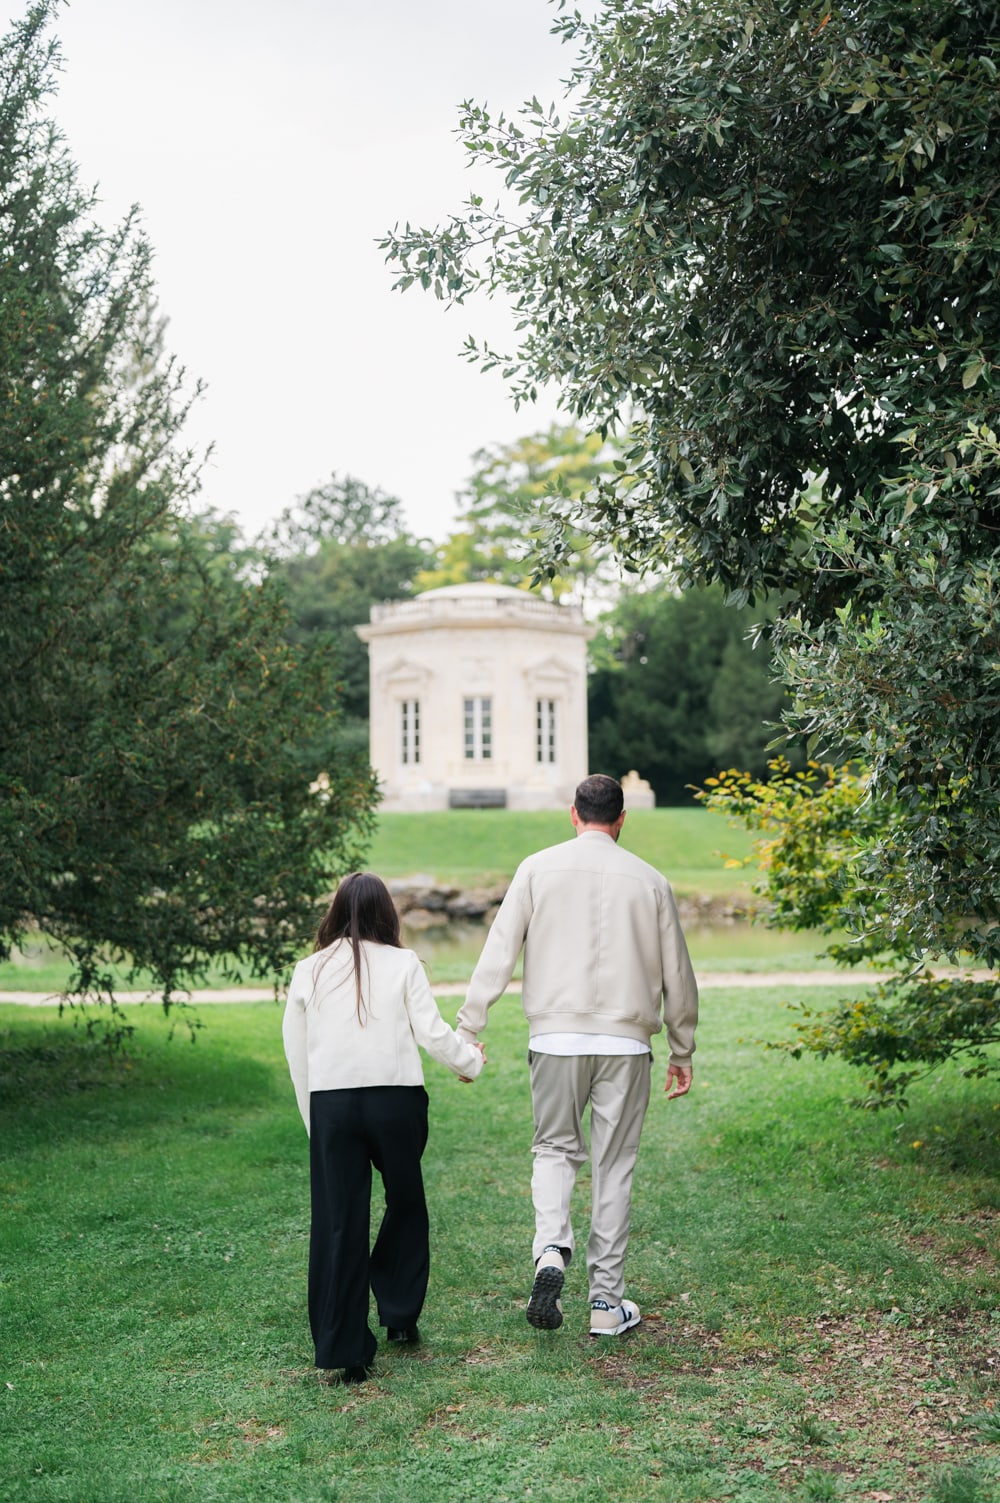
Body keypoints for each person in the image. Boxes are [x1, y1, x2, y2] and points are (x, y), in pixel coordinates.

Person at [456, 774, 698, 1338]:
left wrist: (471, 1025)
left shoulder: (536, 868)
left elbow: (499, 950)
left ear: (573, 814)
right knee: (614, 1168)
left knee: (554, 1151)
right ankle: (606, 1304)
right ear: (620, 819)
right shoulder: (651, 881)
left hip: (555, 1039)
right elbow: (678, 974)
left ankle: (549, 1253)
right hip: (626, 1042)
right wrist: (682, 1047)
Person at [283, 872, 485, 1385]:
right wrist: (470, 1061)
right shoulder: (404, 963)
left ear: (334, 911)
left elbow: (297, 1053)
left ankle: (345, 1349)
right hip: (396, 1101)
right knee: (406, 1201)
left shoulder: (308, 970)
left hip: (333, 1104)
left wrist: (316, 1123)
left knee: (338, 1222)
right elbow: (432, 1031)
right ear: (386, 913)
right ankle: (398, 1313)